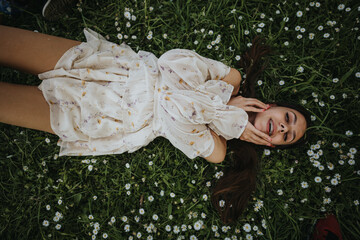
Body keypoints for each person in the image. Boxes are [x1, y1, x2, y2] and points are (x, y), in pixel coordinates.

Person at [0, 25, 310, 222]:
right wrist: (225, 102)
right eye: (288, 119)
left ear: (270, 144)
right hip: (116, 68)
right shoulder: (231, 80)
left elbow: (175, 113)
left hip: (105, 117)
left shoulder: (217, 149)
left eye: (287, 137)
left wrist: (229, 118)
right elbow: (172, 62)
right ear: (273, 107)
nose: (284, 128)